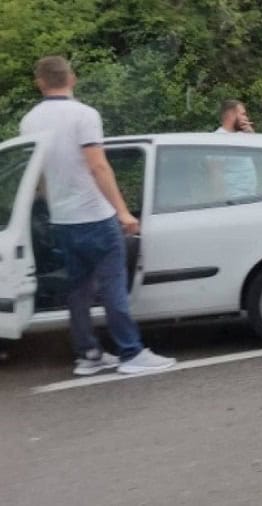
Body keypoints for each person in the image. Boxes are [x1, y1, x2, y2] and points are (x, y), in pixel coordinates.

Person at [19, 56, 176, 376]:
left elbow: (39, 177)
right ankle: (131, 353)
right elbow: (98, 165)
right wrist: (122, 211)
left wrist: (53, 204)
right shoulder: (84, 115)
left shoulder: (29, 122)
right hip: (95, 216)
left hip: (62, 221)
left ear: (40, 83)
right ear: (72, 78)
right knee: (112, 286)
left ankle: (88, 354)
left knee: (78, 291)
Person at [210, 99, 257, 199]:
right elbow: (216, 173)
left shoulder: (242, 136)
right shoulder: (218, 139)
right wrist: (220, 200)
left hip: (249, 196)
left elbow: (259, 153)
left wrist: (251, 134)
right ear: (231, 115)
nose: (246, 118)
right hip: (233, 198)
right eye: (243, 114)